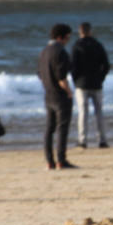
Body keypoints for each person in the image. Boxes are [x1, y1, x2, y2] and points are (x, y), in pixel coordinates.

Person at [38, 23, 76, 170]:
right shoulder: (60, 51)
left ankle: (49, 161)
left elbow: (40, 74)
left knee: (49, 128)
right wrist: (68, 91)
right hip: (60, 95)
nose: (68, 40)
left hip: (48, 94)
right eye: (67, 37)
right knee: (62, 128)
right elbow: (62, 76)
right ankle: (61, 160)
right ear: (61, 37)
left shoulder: (44, 51)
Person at [70, 22, 111, 149]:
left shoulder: (77, 45)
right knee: (99, 113)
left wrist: (75, 80)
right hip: (96, 83)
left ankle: (82, 140)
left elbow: (73, 66)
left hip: (81, 84)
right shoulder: (97, 45)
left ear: (80, 32)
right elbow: (106, 64)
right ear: (90, 31)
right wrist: (101, 77)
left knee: (83, 113)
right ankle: (102, 140)